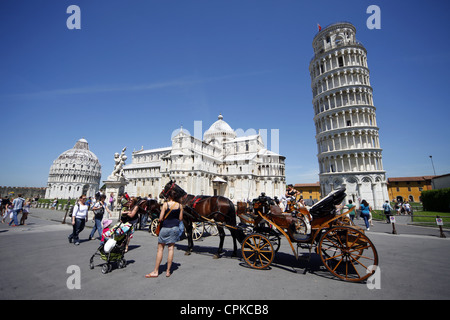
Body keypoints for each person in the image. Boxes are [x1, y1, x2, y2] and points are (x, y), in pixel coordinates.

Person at [146, 196, 183, 278]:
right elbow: (180, 218)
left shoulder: (166, 204)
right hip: (175, 228)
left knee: (160, 249)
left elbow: (160, 218)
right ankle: (168, 271)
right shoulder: (180, 206)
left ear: (169, 197)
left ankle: (156, 271)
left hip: (165, 228)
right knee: (171, 249)